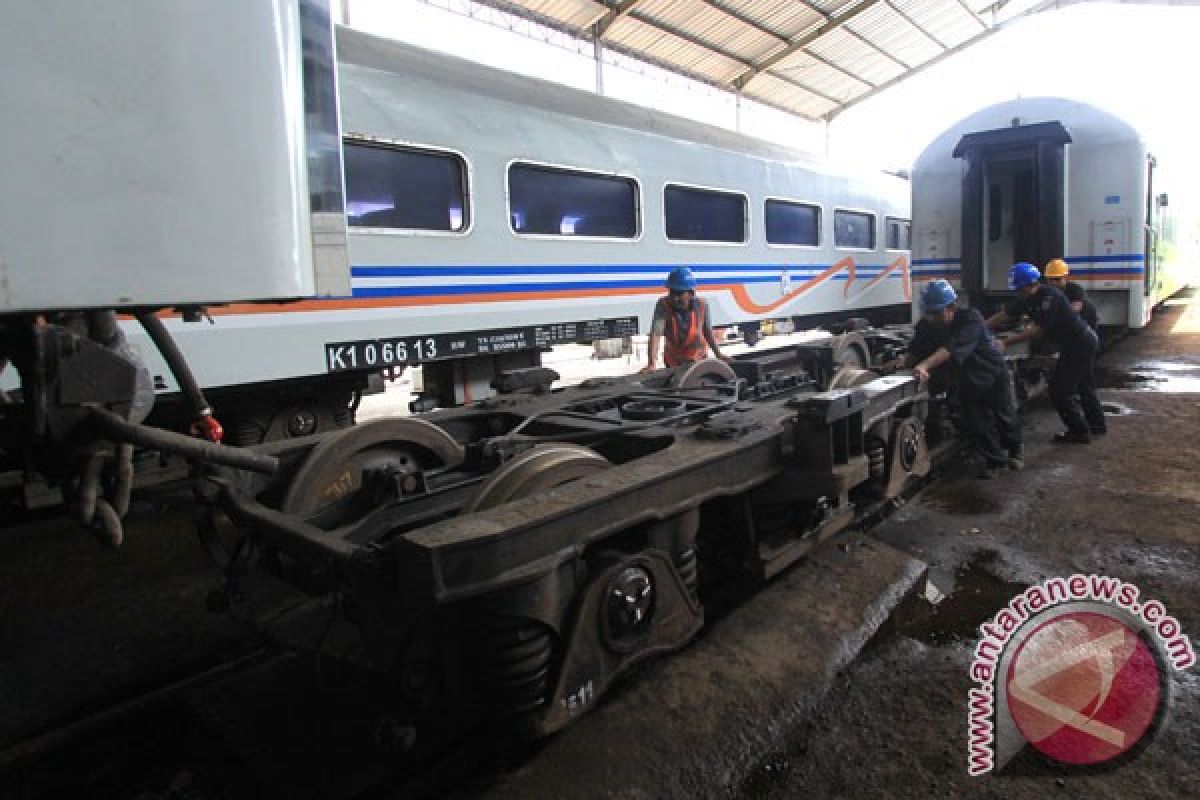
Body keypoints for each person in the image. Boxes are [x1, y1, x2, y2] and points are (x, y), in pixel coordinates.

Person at [912, 280, 1022, 477]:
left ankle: (1015, 450)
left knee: (1004, 414)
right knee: (977, 420)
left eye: (936, 313)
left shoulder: (971, 318)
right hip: (966, 378)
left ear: (952, 307)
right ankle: (994, 461)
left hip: (991, 371)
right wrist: (898, 363)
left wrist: (925, 365)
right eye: (928, 313)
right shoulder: (929, 323)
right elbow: (917, 348)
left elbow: (951, 348)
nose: (932, 318)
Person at [988, 262, 1105, 442]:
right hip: (1074, 344)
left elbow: (1037, 330)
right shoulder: (1026, 297)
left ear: (1031, 285)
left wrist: (1005, 341)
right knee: (1084, 384)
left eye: (1020, 288)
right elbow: (1006, 314)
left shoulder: (1050, 297)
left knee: (1059, 390)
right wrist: (981, 326)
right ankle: (1097, 426)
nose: (1017, 292)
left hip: (1081, 343)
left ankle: (1080, 431)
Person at [643, 266, 730, 370]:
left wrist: (718, 354)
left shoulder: (702, 304)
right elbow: (656, 333)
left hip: (698, 359)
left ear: (691, 293)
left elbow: (707, 332)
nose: (675, 298)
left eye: (679, 294)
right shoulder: (663, 304)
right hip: (674, 361)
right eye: (672, 292)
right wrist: (651, 363)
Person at [1044, 258, 1099, 331]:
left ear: (1066, 277)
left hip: (1086, 325)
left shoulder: (1075, 290)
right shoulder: (1047, 291)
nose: (1054, 283)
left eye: (1057, 279)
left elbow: (1072, 312)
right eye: (1051, 279)